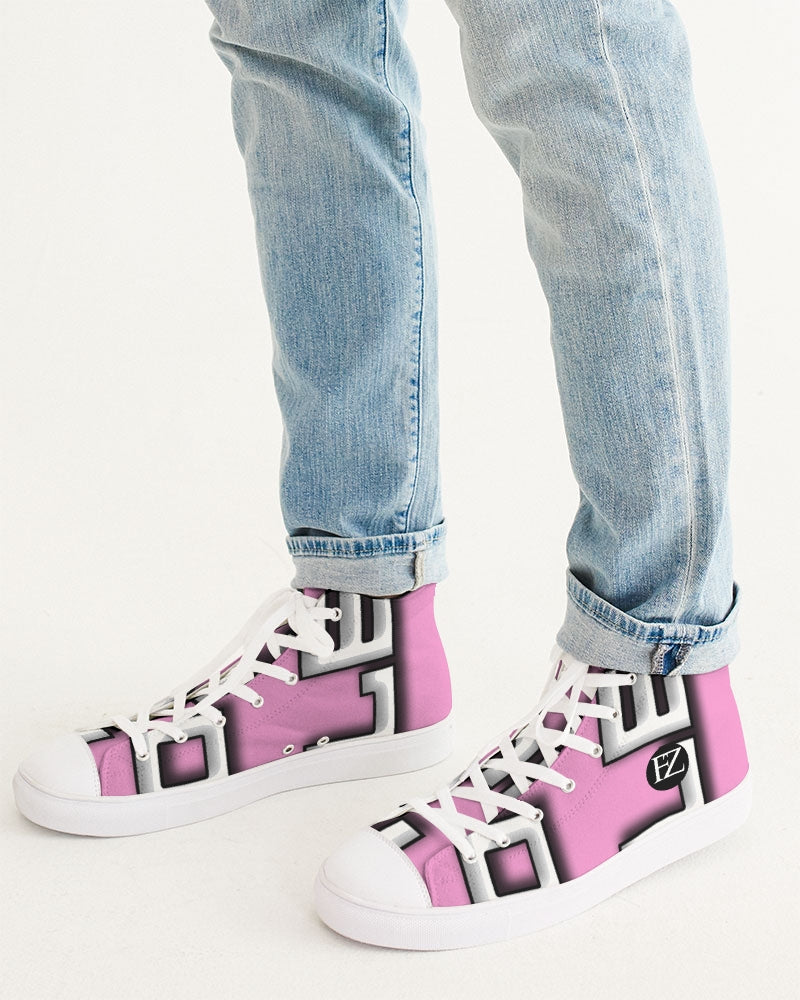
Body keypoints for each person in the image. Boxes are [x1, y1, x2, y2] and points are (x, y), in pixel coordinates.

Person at [12, 0, 749, 950]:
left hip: (659, 680)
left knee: (567, 38)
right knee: (294, 35)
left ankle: (660, 687)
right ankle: (361, 633)